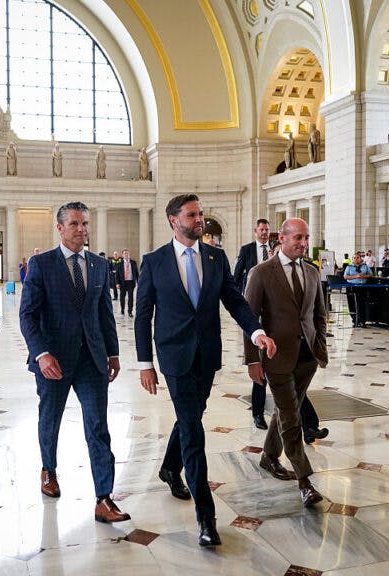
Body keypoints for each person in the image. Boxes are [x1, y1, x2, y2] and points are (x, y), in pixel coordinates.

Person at [134, 194, 276, 548]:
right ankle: (206, 517)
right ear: (173, 220)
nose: (200, 220)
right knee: (194, 432)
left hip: (207, 355)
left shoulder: (215, 257)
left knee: (190, 417)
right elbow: (142, 316)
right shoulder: (154, 262)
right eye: (192, 215)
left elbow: (234, 300)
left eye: (200, 214)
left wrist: (256, 331)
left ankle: (169, 467)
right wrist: (145, 363)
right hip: (174, 357)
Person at [19, 201, 129, 524]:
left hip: (91, 359)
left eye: (85, 224)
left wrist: (113, 352)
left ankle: (103, 498)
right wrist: (41, 353)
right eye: (75, 224)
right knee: (50, 420)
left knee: (98, 426)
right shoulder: (41, 265)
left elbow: (104, 312)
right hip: (53, 360)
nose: (82, 229)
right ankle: (48, 470)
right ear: (60, 228)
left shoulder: (98, 264)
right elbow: (27, 315)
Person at [245, 218, 327, 510]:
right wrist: (252, 361)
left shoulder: (312, 272)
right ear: (282, 238)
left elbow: (319, 315)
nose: (304, 244)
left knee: (286, 410)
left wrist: (320, 347)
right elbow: (248, 320)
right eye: (298, 238)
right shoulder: (261, 273)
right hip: (275, 356)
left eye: (307, 238)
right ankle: (305, 482)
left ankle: (269, 456)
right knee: (291, 416)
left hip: (307, 359)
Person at [232, 218, 272, 429]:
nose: (265, 233)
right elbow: (236, 277)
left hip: (273, 311)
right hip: (253, 310)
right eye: (262, 229)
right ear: (255, 230)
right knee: (259, 363)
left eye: (267, 230)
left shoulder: (275, 249)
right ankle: (258, 414)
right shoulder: (247, 250)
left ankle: (308, 422)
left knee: (284, 370)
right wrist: (240, 301)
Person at [344, 252, 372, 327]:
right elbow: (346, 276)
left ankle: (362, 321)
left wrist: (364, 276)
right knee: (352, 303)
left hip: (362, 287)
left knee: (362, 303)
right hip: (352, 287)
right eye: (354, 258)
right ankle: (355, 320)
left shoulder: (365, 266)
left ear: (360, 259)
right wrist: (355, 276)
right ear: (352, 259)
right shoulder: (349, 267)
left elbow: (370, 274)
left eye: (357, 258)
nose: (356, 259)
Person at [114, 249, 138, 317]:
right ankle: (122, 309)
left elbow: (136, 273)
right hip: (122, 283)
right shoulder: (119, 264)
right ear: (123, 255)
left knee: (131, 297)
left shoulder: (133, 263)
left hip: (131, 282)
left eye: (127, 253)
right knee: (122, 297)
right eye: (125, 253)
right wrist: (117, 283)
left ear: (129, 254)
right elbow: (117, 275)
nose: (126, 254)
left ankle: (130, 311)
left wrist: (139, 282)